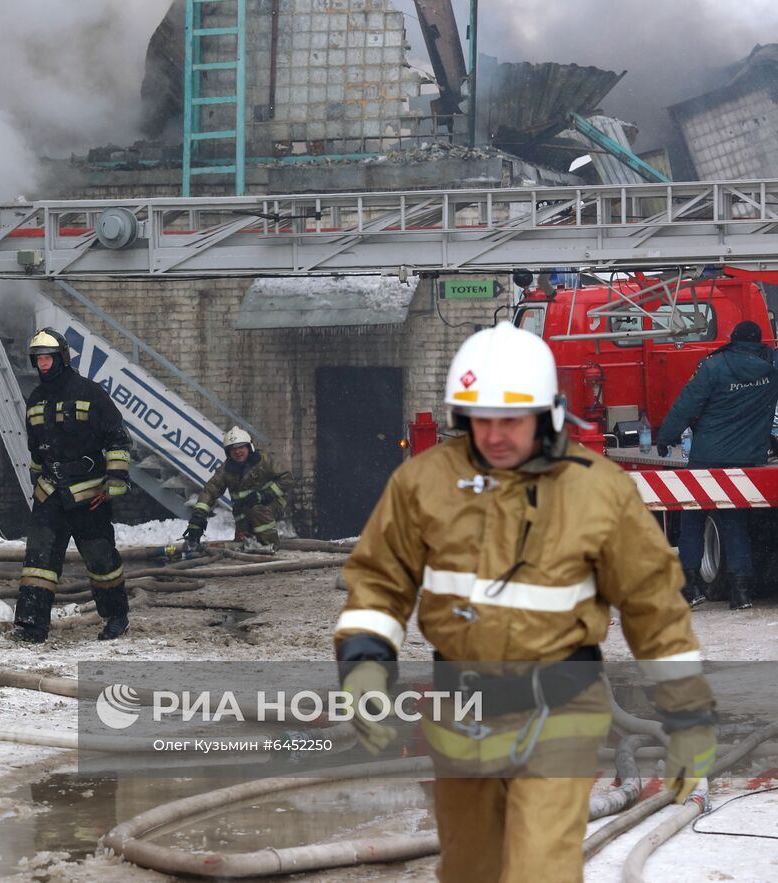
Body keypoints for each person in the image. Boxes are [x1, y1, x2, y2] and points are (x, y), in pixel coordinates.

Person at [334, 321, 716, 883]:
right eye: (479, 420)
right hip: (462, 713)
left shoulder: (595, 489)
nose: (493, 435)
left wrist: (686, 717)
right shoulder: (423, 484)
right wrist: (365, 664)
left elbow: (654, 610)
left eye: (509, 420)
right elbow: (379, 582)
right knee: (470, 869)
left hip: (560, 710)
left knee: (540, 869)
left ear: (548, 414)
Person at [13, 328, 133, 643]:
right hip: (50, 494)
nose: (42, 364)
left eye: (47, 358)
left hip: (88, 493)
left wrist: (115, 481)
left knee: (100, 558)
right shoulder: (36, 399)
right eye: (38, 359)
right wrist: (36, 486)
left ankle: (116, 617)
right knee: (38, 561)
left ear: (62, 358)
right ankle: (32, 625)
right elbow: (35, 451)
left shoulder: (90, 393)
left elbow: (118, 439)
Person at [656, 319, 778, 609]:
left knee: (693, 518)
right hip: (748, 458)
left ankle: (690, 587)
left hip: (708, 456)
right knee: (735, 521)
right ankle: (741, 593)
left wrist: (667, 436)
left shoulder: (713, 366)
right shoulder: (771, 372)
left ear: (733, 338)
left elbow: (687, 404)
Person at [183, 427, 291, 552]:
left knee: (257, 508)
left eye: (241, 447)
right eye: (232, 449)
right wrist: (198, 517)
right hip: (242, 510)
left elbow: (287, 478)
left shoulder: (264, 461)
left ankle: (269, 545)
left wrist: (264, 495)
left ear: (249, 447)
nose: (237, 452)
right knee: (242, 542)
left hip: (271, 503)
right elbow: (210, 491)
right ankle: (250, 544)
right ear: (228, 452)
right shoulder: (226, 470)